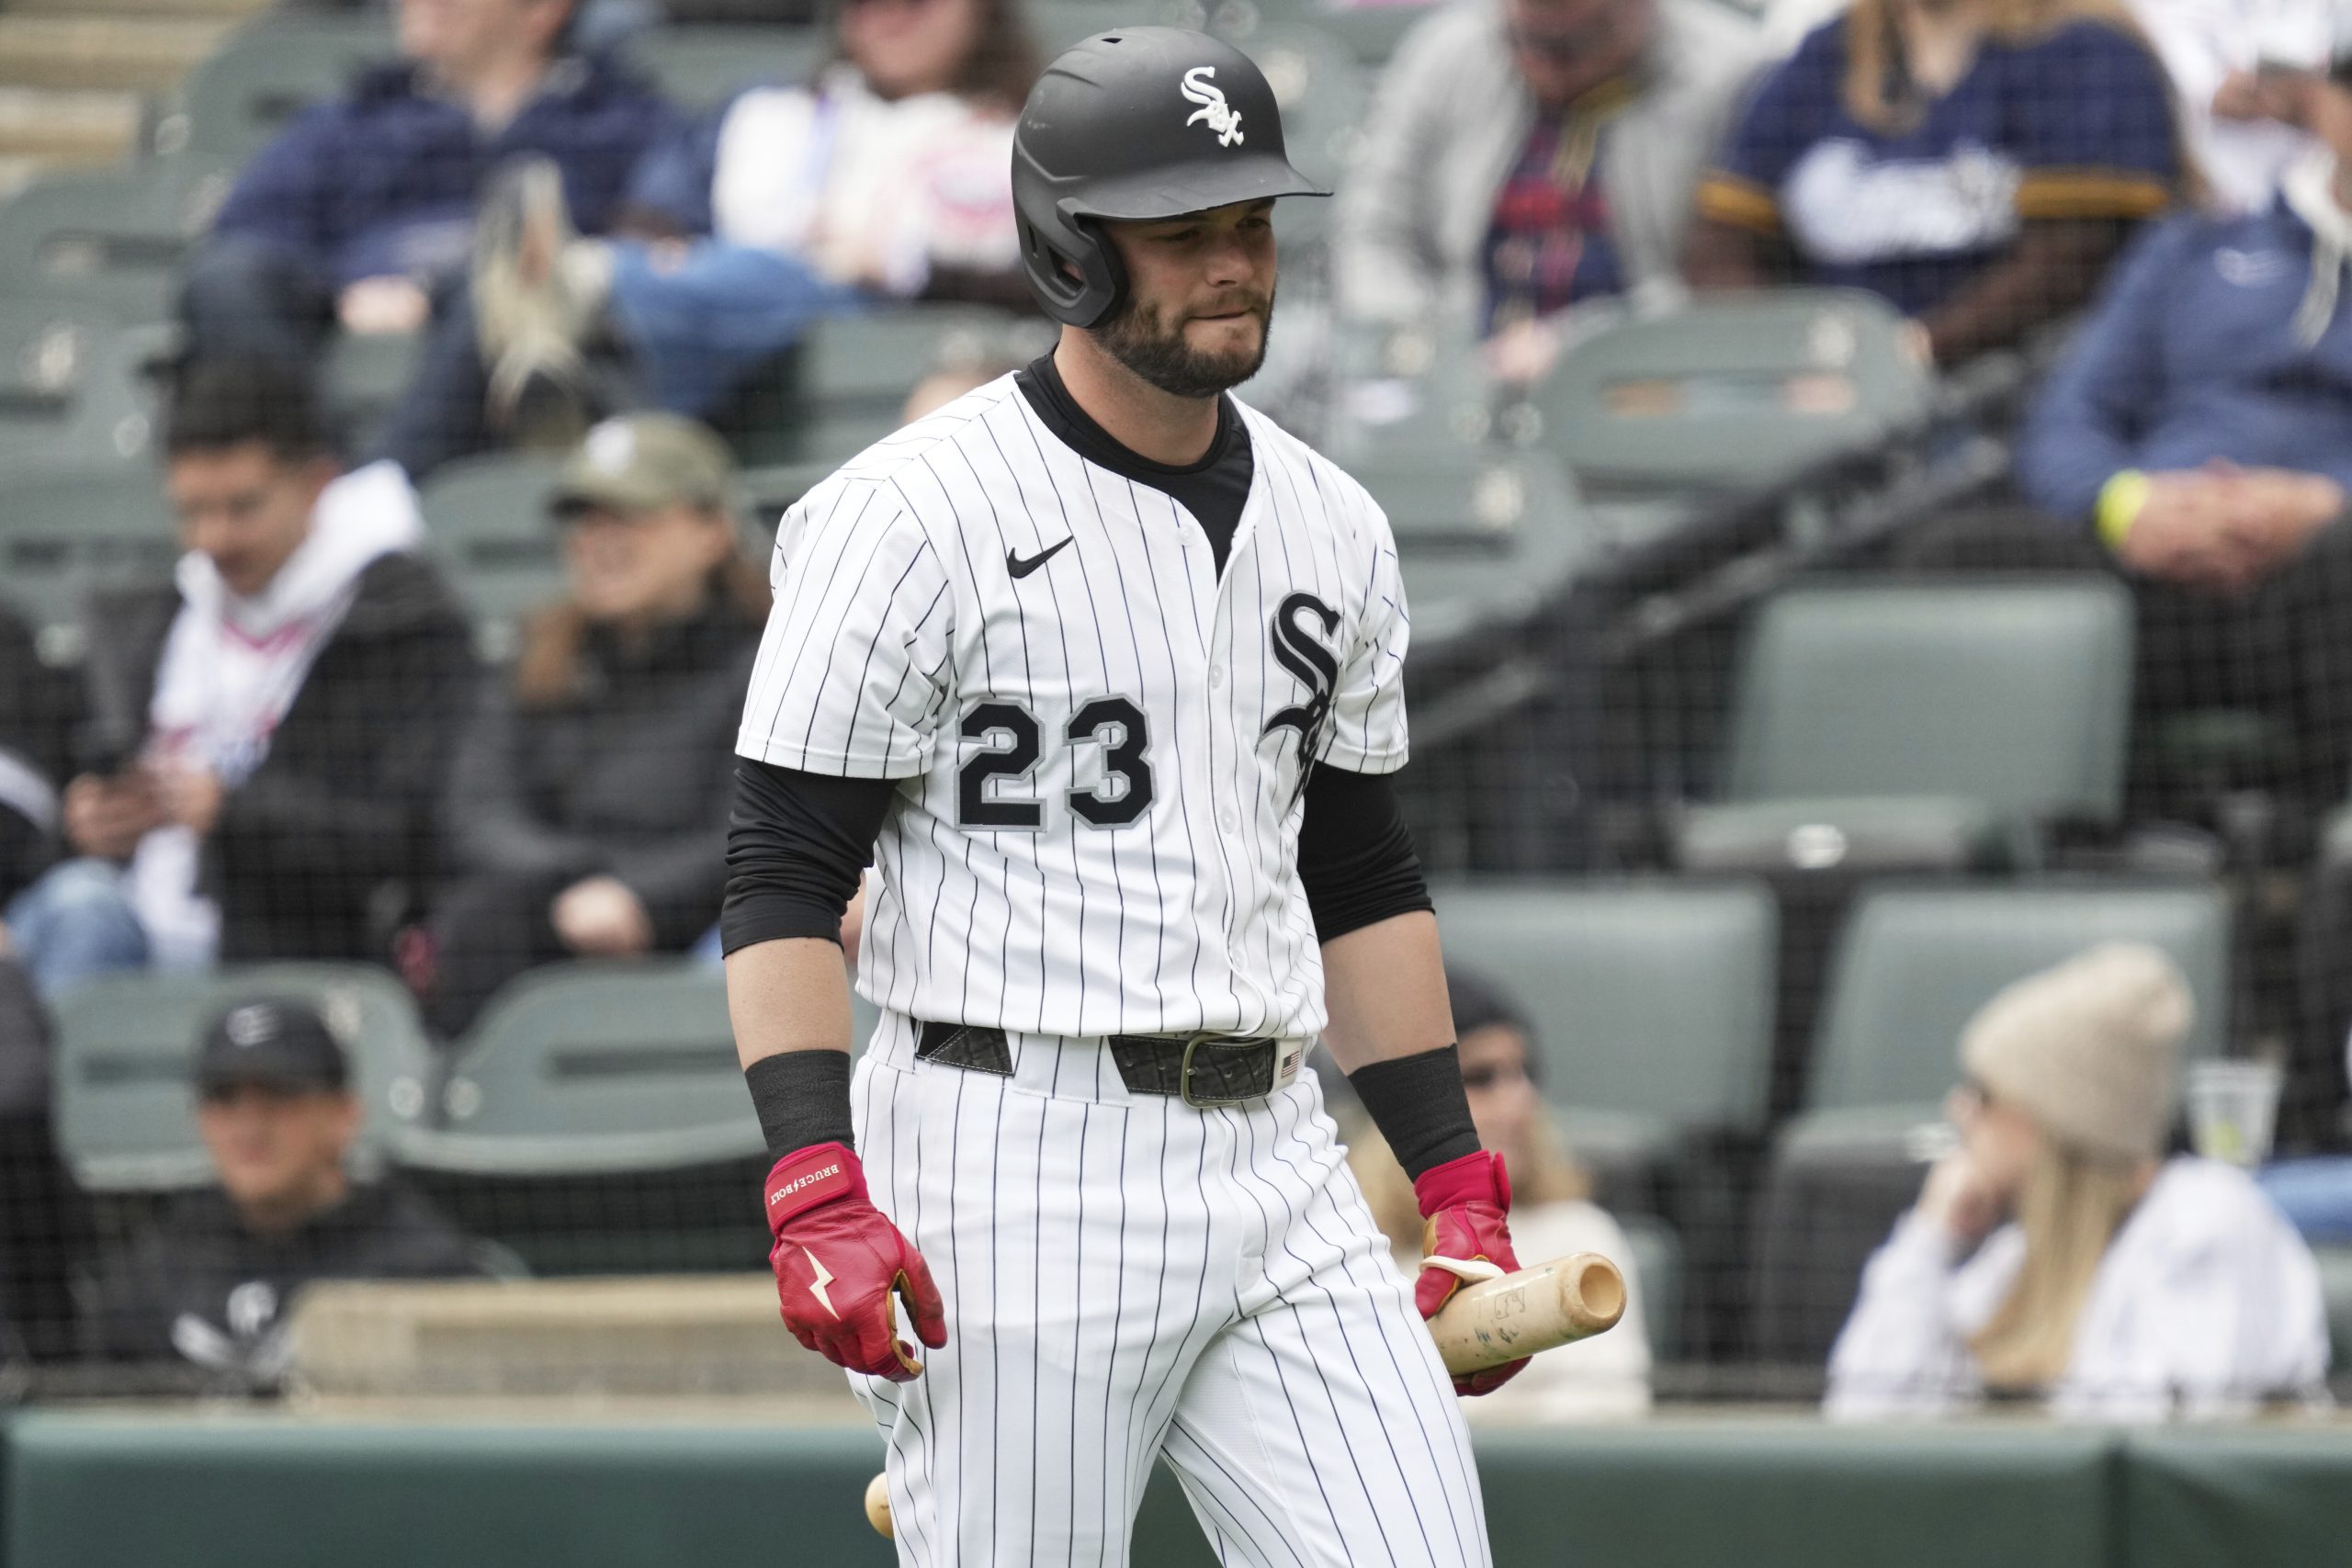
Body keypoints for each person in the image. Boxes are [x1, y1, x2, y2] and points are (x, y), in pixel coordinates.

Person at [725, 29, 1517, 1562]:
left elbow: (1361, 874)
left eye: (1252, 224)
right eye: (1182, 232)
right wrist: (813, 1177)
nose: (1233, 266)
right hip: (1010, 1154)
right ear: (1070, 250)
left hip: (1278, 1151)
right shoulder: (907, 513)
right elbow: (782, 872)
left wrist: (1451, 1172)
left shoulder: (1336, 524)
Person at [379, 0, 1037, 476]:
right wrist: (665, 249)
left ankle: (569, 298)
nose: (885, 17)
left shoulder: (1017, 133)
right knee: (749, 273)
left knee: (790, 274)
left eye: (915, 3)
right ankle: (562, 335)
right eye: (864, 3)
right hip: (698, 322)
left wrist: (909, 268)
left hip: (864, 316)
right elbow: (660, 207)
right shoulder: (771, 109)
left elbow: (1043, 276)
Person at [2, 359, 476, 998]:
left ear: (316, 485)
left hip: (302, 959)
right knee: (76, 903)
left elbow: (416, 835)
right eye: (191, 512)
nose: (214, 539)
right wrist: (90, 826)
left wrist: (231, 815)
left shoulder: (401, 624)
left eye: (242, 508)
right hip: (133, 934)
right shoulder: (160, 617)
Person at [2008, 55, 2352, 809]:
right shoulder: (2192, 246)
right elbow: (2069, 417)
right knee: (1967, 553)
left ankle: (2329, 845)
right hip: (2156, 569)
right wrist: (2125, 503)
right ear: (2319, 101)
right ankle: (2036, 845)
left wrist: (2327, 505)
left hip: (2324, 583)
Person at [1826, 942, 2328, 1420]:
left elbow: (2167, 1452)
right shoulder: (2014, 1258)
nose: (1959, 1111)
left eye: (1984, 1093)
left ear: (2049, 1121)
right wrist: (1929, 1240)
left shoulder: (2205, 1221)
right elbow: (1864, 1423)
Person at [413, 412, 767, 1038]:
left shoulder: (770, 661)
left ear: (712, 531)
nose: (599, 541)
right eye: (584, 521)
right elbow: (478, 808)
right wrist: (576, 881)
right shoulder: (538, 655)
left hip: (706, 925)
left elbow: (757, 827)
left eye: (630, 517)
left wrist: (639, 897)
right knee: (477, 919)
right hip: (548, 912)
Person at [181, 0, 677, 369]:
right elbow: (253, 225)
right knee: (228, 279)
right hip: (344, 321)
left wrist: (432, 293)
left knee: (492, 291)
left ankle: (379, 473)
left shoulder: (626, 125)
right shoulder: (355, 118)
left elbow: (653, 249)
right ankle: (308, 460)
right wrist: (338, 298)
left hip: (523, 350)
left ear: (542, 10)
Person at [1685, 0, 2183, 366]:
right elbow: (1720, 244)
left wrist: (1914, 349)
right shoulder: (1829, 55)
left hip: (2006, 381)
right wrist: (1778, 355)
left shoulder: (2084, 53)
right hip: (1828, 373)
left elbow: (2075, 257)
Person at [1335, 0, 1763, 379]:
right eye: (1530, 38)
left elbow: (1724, 287)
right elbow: (1373, 233)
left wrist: (1577, 350)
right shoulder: (1447, 53)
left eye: (1580, 40)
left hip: (1643, 381)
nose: (1551, 60)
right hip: (1453, 365)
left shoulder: (1730, 74)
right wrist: (1420, 348)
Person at [82, 997, 487, 1384]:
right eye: (224, 1097)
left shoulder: (423, 1268)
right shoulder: (152, 1274)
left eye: (279, 1095)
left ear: (344, 1116)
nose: (249, 1127)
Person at [1350, 968, 1653, 1421]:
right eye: (1480, 1077)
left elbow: (1614, 1406)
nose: (1519, 1101)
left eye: (1524, 1073)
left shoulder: (1579, 1231)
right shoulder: (1348, 1246)